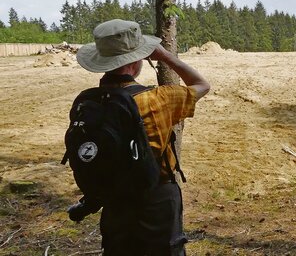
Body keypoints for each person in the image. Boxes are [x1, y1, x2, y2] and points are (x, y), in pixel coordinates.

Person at [69, 19, 210, 255]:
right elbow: (201, 84)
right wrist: (165, 56)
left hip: (113, 199)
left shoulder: (87, 102)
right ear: (136, 62)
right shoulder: (158, 99)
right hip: (156, 200)